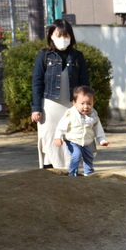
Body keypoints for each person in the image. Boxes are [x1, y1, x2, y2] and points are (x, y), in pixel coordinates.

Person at [31, 19, 90, 170]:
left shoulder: (77, 56)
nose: (63, 39)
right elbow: (37, 83)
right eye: (59, 35)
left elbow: (84, 83)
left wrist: (85, 105)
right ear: (51, 35)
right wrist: (36, 108)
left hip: (72, 105)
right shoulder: (44, 55)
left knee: (72, 137)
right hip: (50, 105)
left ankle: (72, 168)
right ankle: (50, 168)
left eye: (66, 35)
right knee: (49, 137)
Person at [54, 85, 110, 177]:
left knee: (89, 156)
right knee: (76, 155)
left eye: (89, 104)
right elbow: (61, 126)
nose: (86, 107)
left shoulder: (93, 115)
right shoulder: (70, 113)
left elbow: (98, 129)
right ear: (74, 103)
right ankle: (72, 173)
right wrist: (58, 137)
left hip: (86, 143)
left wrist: (102, 140)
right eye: (82, 103)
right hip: (73, 141)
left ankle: (89, 173)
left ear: (93, 103)